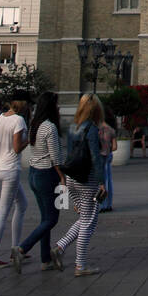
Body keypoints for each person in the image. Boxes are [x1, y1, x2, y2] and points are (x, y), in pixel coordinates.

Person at [52, 92, 107, 276]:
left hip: (72, 177)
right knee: (89, 222)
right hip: (87, 179)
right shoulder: (91, 129)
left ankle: (60, 247)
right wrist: (101, 182)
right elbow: (95, 157)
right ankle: (80, 265)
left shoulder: (72, 127)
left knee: (84, 218)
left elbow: (70, 154)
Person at [12, 92, 67, 272]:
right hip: (47, 174)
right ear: (51, 107)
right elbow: (55, 157)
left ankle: (45, 260)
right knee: (52, 219)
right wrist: (62, 177)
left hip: (34, 174)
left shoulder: (35, 124)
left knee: (45, 218)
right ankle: (22, 248)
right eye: (56, 105)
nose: (59, 108)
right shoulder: (50, 127)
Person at [0, 99, 29, 269]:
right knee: (2, 212)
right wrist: (29, 139)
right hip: (11, 168)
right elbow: (17, 148)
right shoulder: (18, 120)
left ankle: (16, 249)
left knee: (22, 204)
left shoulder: (0, 118)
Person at [98, 112, 117, 212]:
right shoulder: (111, 130)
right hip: (108, 156)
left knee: (101, 182)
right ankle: (109, 204)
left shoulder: (98, 130)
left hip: (100, 156)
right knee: (109, 181)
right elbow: (115, 147)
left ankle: (102, 205)